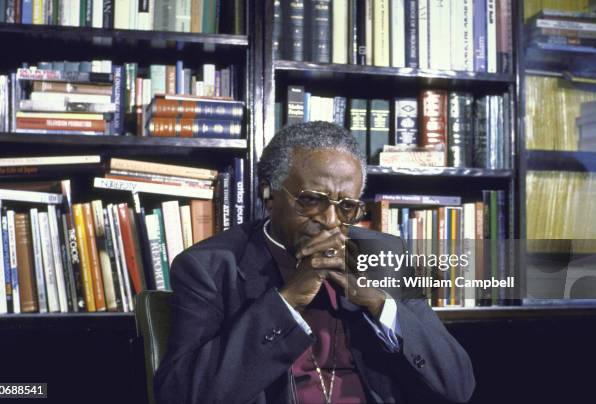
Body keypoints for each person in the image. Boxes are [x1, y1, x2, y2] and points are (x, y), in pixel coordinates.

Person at [154, 122, 475, 404]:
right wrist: (289, 299)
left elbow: (458, 386)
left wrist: (380, 304)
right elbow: (182, 395)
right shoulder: (209, 267)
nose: (330, 220)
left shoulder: (383, 255)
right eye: (311, 200)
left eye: (347, 207)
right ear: (269, 194)